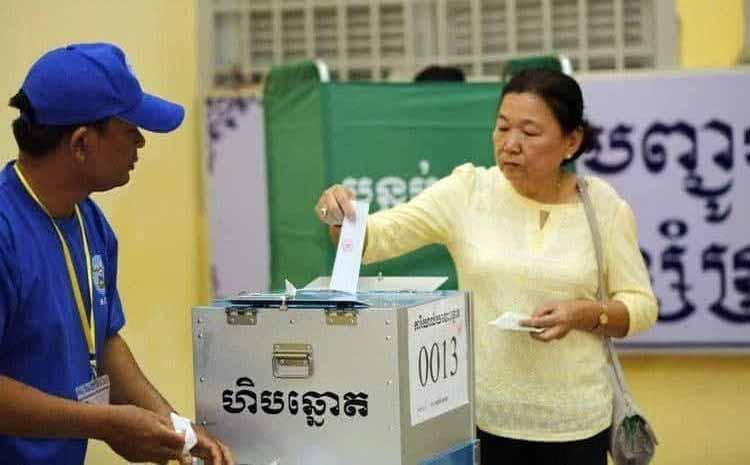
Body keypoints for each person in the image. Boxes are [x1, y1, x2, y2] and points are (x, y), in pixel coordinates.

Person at [315, 69, 658, 465]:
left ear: (572, 140)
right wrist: (338, 216)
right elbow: (373, 239)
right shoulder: (468, 191)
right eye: (502, 127)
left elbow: (642, 305)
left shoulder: (603, 207)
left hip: (577, 426)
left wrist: (584, 314)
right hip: (485, 422)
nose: (511, 144)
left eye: (530, 133)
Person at [0, 43, 234, 465]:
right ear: (81, 144)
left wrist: (174, 428)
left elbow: (103, 340)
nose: (141, 142)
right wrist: (104, 423)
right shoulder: (5, 234)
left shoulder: (90, 223)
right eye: (130, 130)